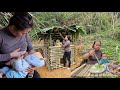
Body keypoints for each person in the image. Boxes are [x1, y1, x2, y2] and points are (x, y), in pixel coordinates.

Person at [0, 12, 41, 78]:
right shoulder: (1, 36)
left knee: (36, 76)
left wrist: (34, 62)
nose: (25, 35)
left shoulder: (25, 34)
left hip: (23, 65)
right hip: (6, 67)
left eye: (27, 32)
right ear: (13, 27)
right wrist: (11, 55)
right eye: (23, 33)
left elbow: (30, 49)